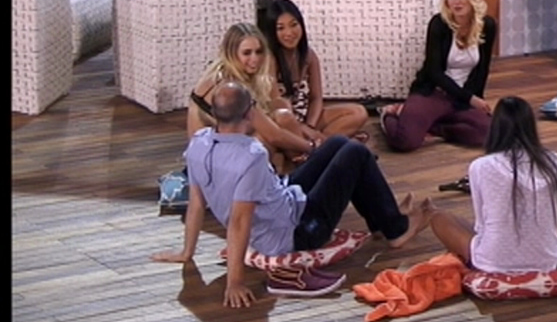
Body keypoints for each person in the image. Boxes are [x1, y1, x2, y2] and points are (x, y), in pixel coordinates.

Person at [153, 82, 430, 306]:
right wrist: (234, 282)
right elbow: (239, 220)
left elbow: (196, 203)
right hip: (296, 232)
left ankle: (383, 218)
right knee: (356, 152)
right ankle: (395, 229)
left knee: (336, 144)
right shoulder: (250, 156)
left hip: (284, 201)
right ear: (249, 113)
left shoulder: (199, 143)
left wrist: (187, 252)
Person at [424, 96, 557, 272]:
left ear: (495, 127)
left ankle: (479, 263)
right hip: (549, 263)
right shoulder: (553, 160)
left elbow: (481, 224)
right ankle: (543, 257)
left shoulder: (480, 166)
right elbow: (555, 216)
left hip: (492, 265)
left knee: (439, 218)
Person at [380, 0, 497, 153]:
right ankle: (391, 113)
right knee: (405, 141)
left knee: (489, 133)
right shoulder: (438, 24)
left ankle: (435, 127)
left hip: (461, 96)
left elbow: (482, 69)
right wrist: (470, 99)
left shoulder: (487, 26)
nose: (456, 2)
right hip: (434, 92)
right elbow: (434, 72)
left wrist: (476, 100)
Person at [188, 22, 322, 174]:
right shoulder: (229, 88)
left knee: (282, 114)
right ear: (231, 53)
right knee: (268, 138)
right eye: (247, 53)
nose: (255, 59)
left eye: (258, 52)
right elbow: (274, 135)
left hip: (217, 151)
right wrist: (312, 147)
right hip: (213, 165)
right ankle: (309, 169)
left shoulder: (219, 73)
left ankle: (304, 169)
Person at [262, 0, 370, 142]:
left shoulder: (309, 55)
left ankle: (319, 143)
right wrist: (301, 128)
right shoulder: (270, 59)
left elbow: (316, 98)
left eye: (293, 25)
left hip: (306, 118)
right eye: (281, 28)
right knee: (283, 119)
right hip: (284, 122)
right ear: (272, 32)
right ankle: (329, 142)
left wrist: (310, 126)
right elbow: (277, 106)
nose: (289, 32)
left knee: (358, 112)